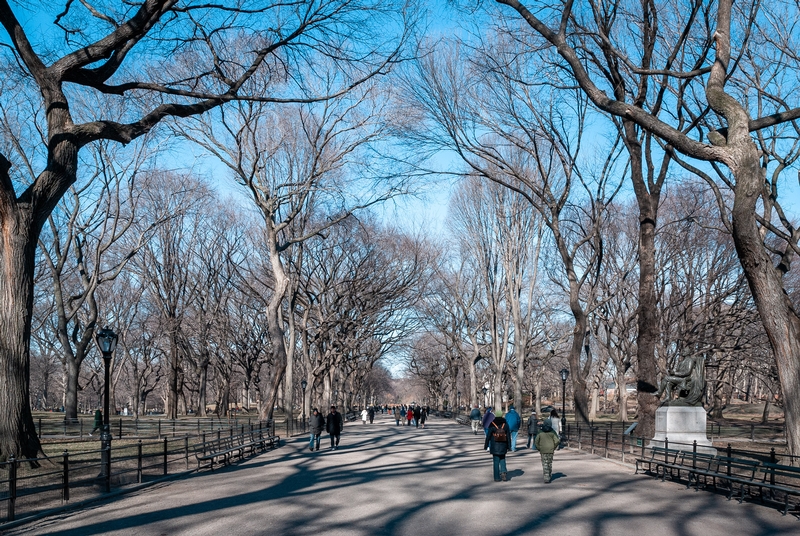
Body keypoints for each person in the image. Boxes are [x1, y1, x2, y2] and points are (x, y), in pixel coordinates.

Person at [484, 414, 510, 481]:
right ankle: (503, 471)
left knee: (496, 461)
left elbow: (488, 436)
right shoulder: (505, 424)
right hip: (503, 445)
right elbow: (508, 436)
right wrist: (509, 446)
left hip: (494, 445)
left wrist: (486, 445)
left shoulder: (492, 424)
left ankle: (497, 477)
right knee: (502, 459)